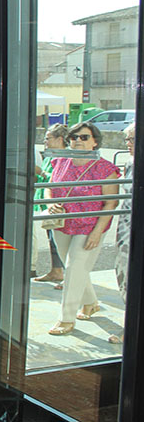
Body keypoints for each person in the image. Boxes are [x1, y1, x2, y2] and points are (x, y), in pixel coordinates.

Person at [46, 122, 119, 336]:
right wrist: (51, 205)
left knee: (75, 264)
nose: (78, 140)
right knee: (75, 268)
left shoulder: (105, 169)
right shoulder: (61, 161)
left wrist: (98, 232)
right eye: (75, 136)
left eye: (84, 137)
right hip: (62, 223)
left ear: (95, 142)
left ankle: (66, 318)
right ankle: (91, 303)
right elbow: (50, 188)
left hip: (89, 226)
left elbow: (110, 203)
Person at [33, 123, 69, 283]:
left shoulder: (66, 158)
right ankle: (56, 271)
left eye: (48, 138)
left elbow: (58, 180)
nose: (45, 141)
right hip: (48, 202)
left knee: (61, 241)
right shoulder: (51, 155)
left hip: (58, 204)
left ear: (60, 139)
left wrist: (41, 172)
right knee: (52, 238)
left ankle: (66, 275)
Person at [111, 122, 135, 344]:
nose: (128, 144)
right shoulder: (130, 161)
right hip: (126, 227)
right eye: (127, 139)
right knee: (123, 273)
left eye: (132, 139)